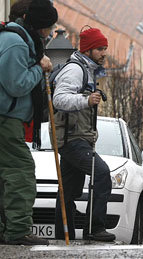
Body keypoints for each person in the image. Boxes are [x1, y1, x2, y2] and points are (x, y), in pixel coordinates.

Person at [0, 0, 57, 245]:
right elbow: (17, 84)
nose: (50, 32)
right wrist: (39, 68)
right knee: (20, 172)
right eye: (47, 27)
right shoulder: (15, 42)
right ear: (35, 23)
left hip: (8, 118)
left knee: (6, 175)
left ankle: (7, 229)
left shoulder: (21, 39)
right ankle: (17, 231)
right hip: (5, 119)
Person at [52, 26, 115, 242]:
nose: (104, 53)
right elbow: (58, 99)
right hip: (72, 139)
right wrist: (86, 100)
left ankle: (62, 235)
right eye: (99, 48)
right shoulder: (75, 70)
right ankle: (95, 228)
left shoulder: (88, 69)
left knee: (68, 190)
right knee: (102, 173)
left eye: (105, 48)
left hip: (77, 137)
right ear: (87, 50)